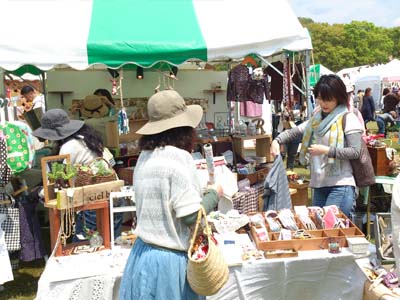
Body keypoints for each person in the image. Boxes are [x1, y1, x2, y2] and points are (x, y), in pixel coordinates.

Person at [119, 90, 223, 300]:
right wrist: (214, 193)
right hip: (169, 263)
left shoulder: (144, 157)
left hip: (142, 256)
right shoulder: (178, 158)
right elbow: (190, 216)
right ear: (184, 129)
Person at [270, 74, 363, 217]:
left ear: (338, 97)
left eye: (328, 99)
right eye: (320, 99)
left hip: (341, 185)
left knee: (334, 233)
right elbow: (294, 132)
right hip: (319, 186)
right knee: (320, 231)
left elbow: (355, 151)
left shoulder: (348, 118)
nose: (323, 103)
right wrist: (277, 140)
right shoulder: (316, 120)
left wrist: (326, 150)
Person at [32, 109, 121, 240]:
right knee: (111, 246)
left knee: (85, 248)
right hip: (113, 195)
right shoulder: (88, 139)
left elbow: (63, 181)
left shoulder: (68, 147)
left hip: (92, 202)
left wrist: (40, 192)